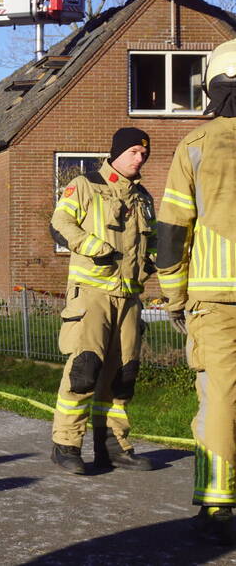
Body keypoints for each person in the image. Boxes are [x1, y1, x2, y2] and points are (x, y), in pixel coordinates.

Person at [156, 38, 236, 544]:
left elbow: (172, 229)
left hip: (216, 298)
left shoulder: (196, 144)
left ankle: (218, 504)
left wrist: (174, 296)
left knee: (220, 398)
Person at [49, 128, 156, 475]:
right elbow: (60, 222)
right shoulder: (85, 185)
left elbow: (152, 241)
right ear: (117, 152)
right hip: (92, 295)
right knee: (85, 371)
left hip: (129, 297)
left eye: (144, 154)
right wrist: (92, 246)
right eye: (134, 152)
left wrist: (153, 262)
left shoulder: (143, 198)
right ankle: (66, 446)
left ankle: (113, 447)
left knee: (124, 376)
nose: (140, 158)